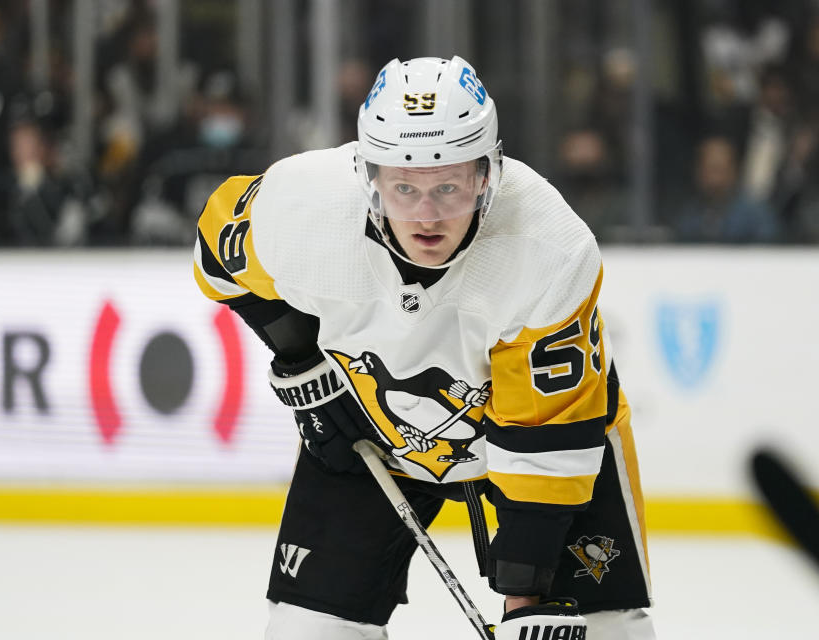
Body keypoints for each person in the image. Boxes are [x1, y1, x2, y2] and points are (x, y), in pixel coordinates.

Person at [194, 56, 655, 639]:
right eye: (405, 187)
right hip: (370, 432)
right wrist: (300, 358)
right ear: (369, 177)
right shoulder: (303, 211)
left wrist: (525, 599)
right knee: (308, 631)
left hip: (541, 450)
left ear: (487, 176)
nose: (427, 215)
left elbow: (546, 437)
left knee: (603, 631)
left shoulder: (549, 248)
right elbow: (216, 255)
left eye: (449, 187)